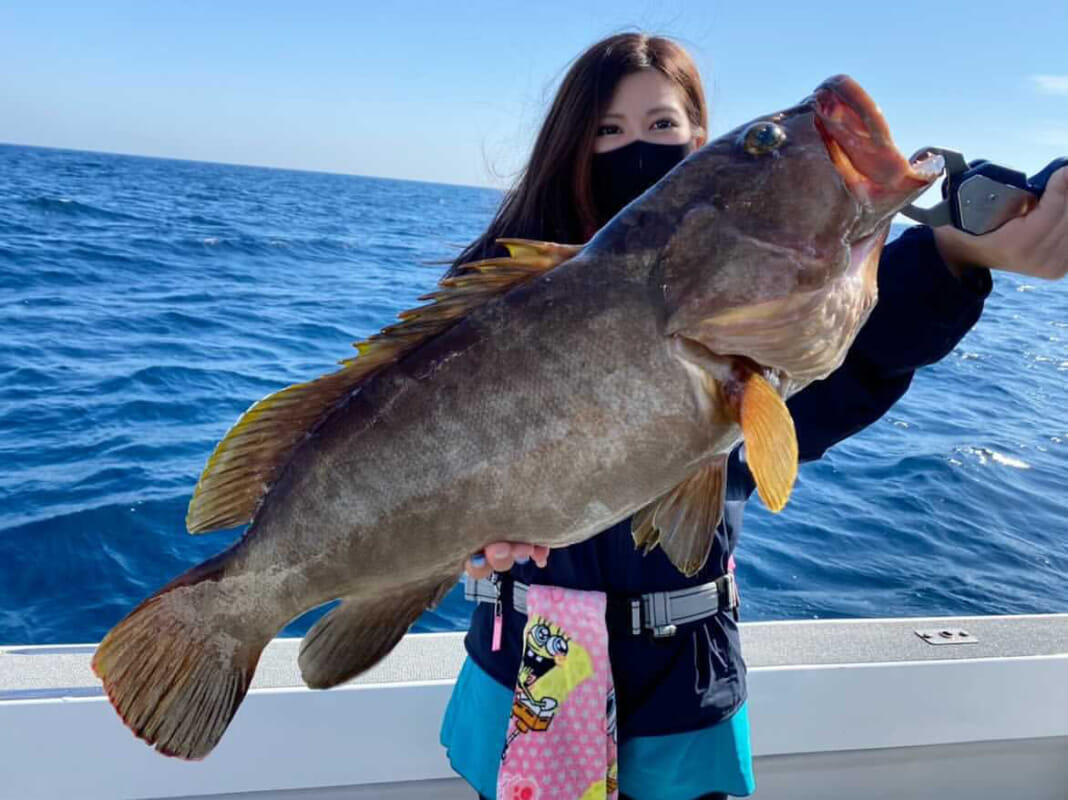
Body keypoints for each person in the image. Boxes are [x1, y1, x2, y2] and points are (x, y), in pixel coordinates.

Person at [439, 32, 1068, 800]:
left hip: (682, 680)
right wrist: (458, 543)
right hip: (520, 671)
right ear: (569, 142)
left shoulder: (753, 313)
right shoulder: (490, 287)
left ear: (700, 142)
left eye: (663, 127)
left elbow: (849, 352)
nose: (636, 148)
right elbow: (422, 448)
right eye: (608, 131)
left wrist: (956, 255)